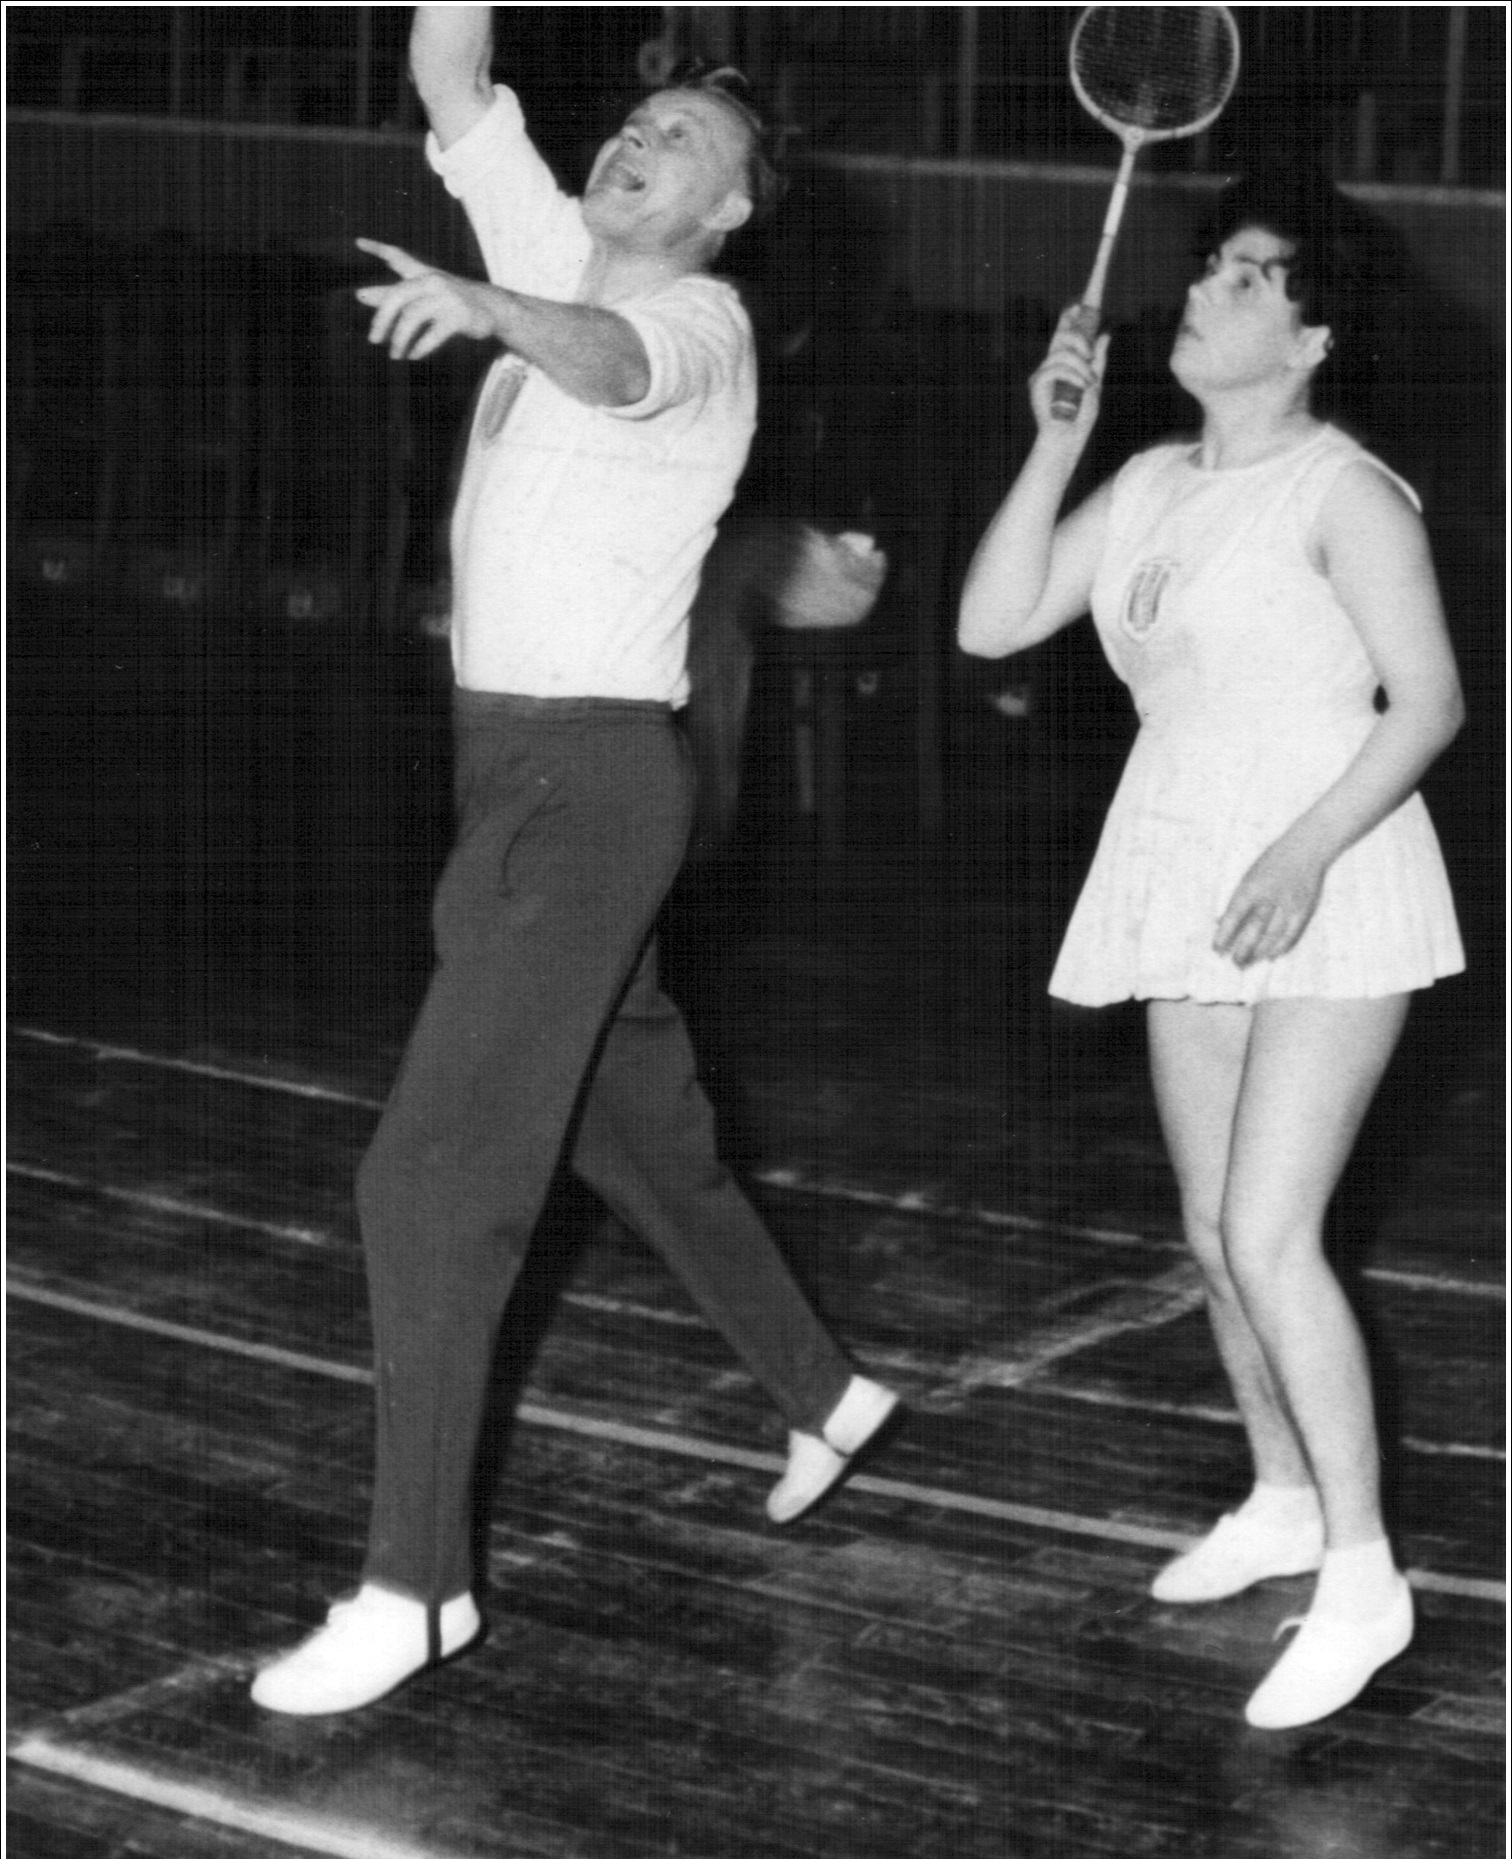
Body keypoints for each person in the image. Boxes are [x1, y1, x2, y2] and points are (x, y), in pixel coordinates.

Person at [252, 4, 896, 1717]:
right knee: (634, 1125)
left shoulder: (700, 321)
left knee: (426, 1180)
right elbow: (451, 77)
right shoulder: (569, 253)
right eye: (639, 121)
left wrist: (486, 307)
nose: (638, 140)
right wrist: (509, 269)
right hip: (509, 775)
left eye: (686, 143)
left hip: (595, 788)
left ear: (731, 209)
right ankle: (826, 1393)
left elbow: (609, 364)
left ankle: (417, 1590)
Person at [958, 170, 1464, 1730]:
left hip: (1331, 870)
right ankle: (1281, 1497)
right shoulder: (1152, 480)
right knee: (1209, 1227)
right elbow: (993, 623)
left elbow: (1430, 703)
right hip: (1181, 859)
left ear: (1313, 339)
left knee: (1268, 1231)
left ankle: (1365, 1580)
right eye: (1214, 265)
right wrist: (1054, 443)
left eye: (1255, 277)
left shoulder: (1346, 492)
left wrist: (1302, 856)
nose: (1207, 289)